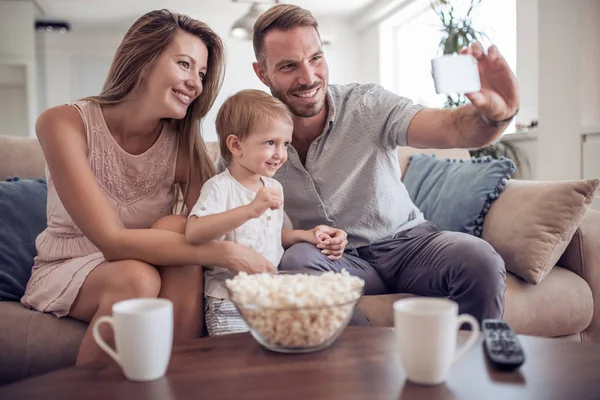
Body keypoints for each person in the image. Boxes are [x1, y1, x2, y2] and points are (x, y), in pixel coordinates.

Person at [20, 9, 275, 366]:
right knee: (138, 278)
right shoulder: (63, 123)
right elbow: (111, 240)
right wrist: (225, 254)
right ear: (143, 60)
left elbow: (213, 227)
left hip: (154, 266)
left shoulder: (184, 146)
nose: (196, 84)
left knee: (180, 233)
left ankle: (181, 378)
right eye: (184, 65)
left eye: (201, 74)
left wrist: (294, 235)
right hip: (72, 264)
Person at [250, 4, 520, 323]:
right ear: (262, 73)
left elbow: (452, 127)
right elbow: (231, 211)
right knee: (297, 263)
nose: (308, 77)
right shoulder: (252, 139)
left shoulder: (368, 105)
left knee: (479, 259)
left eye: (316, 59)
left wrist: (495, 114)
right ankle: (367, 364)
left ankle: (470, 363)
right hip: (336, 260)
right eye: (288, 66)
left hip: (409, 246)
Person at [185, 89, 345, 336]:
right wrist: (249, 210)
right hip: (229, 300)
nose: (280, 154)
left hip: (270, 296)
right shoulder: (219, 187)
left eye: (286, 144)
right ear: (236, 145)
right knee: (237, 363)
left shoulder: (273, 187)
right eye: (271, 143)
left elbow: (267, 236)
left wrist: (305, 235)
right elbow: (194, 233)